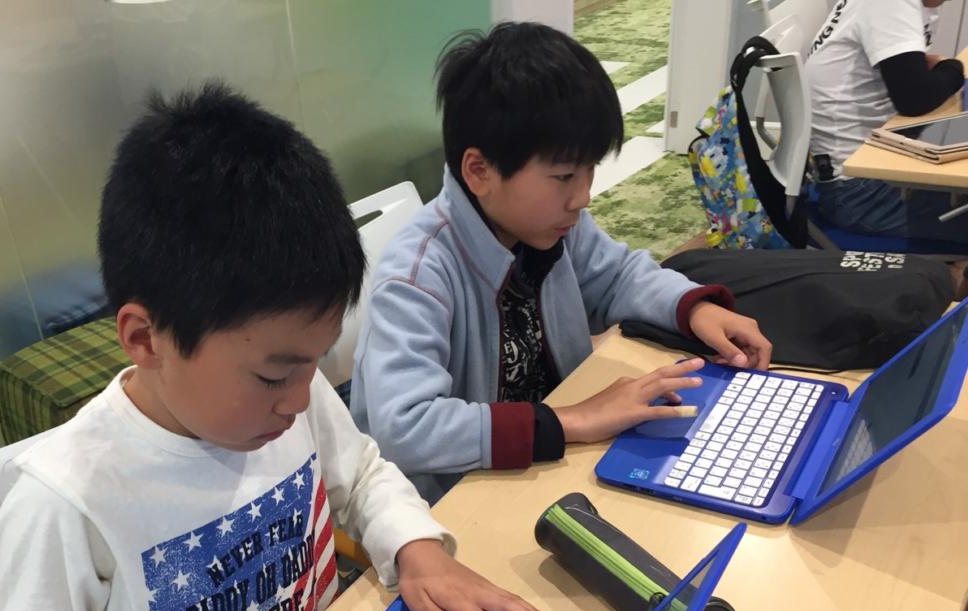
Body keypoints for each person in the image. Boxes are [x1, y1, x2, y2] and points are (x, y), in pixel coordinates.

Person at [0, 83, 557, 611]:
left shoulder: (290, 399)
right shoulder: (69, 500)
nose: (302, 397)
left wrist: (416, 548)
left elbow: (362, 475)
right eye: (275, 373)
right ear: (144, 337)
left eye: (315, 363)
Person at [350, 22, 772, 504]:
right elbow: (403, 426)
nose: (583, 196)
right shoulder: (420, 272)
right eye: (565, 176)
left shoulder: (548, 225)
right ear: (479, 171)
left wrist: (694, 308)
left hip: (552, 461)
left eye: (590, 170)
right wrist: (575, 419)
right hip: (458, 500)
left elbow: (617, 277)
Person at [806, 0, 967, 245]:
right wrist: (953, 69)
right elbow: (915, 98)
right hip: (861, 193)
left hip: (866, 171)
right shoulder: (890, 3)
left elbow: (916, 81)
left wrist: (938, 74)